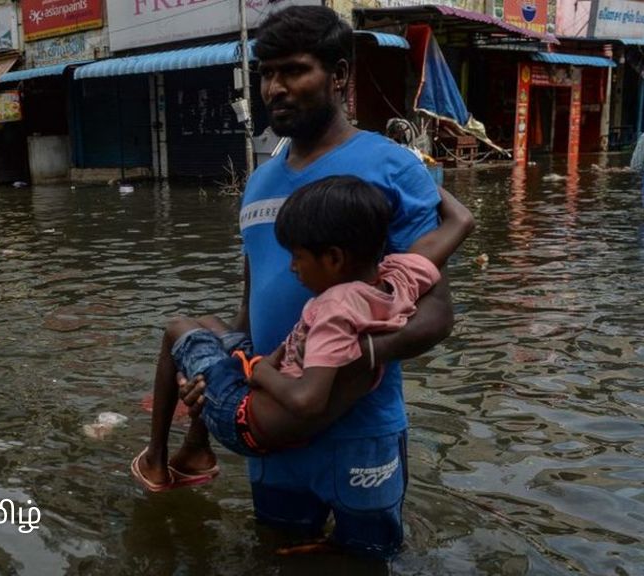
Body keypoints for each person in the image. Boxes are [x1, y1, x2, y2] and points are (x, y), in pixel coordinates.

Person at [176, 6, 458, 558]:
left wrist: (338, 368)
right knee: (279, 547)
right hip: (274, 425)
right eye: (265, 73)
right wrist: (223, 377)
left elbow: (436, 313)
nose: (274, 88)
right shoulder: (258, 182)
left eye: (293, 71)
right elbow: (248, 311)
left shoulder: (390, 167)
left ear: (340, 75)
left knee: (367, 559)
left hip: (360, 426)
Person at [132, 177, 473, 494]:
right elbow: (461, 221)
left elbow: (307, 401)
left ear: (335, 258)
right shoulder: (399, 277)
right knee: (206, 323)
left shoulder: (334, 309)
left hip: (244, 420)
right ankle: (195, 449)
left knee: (177, 329)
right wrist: (415, 178)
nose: (292, 267)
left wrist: (262, 372)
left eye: (297, 257)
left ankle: (156, 462)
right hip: (267, 400)